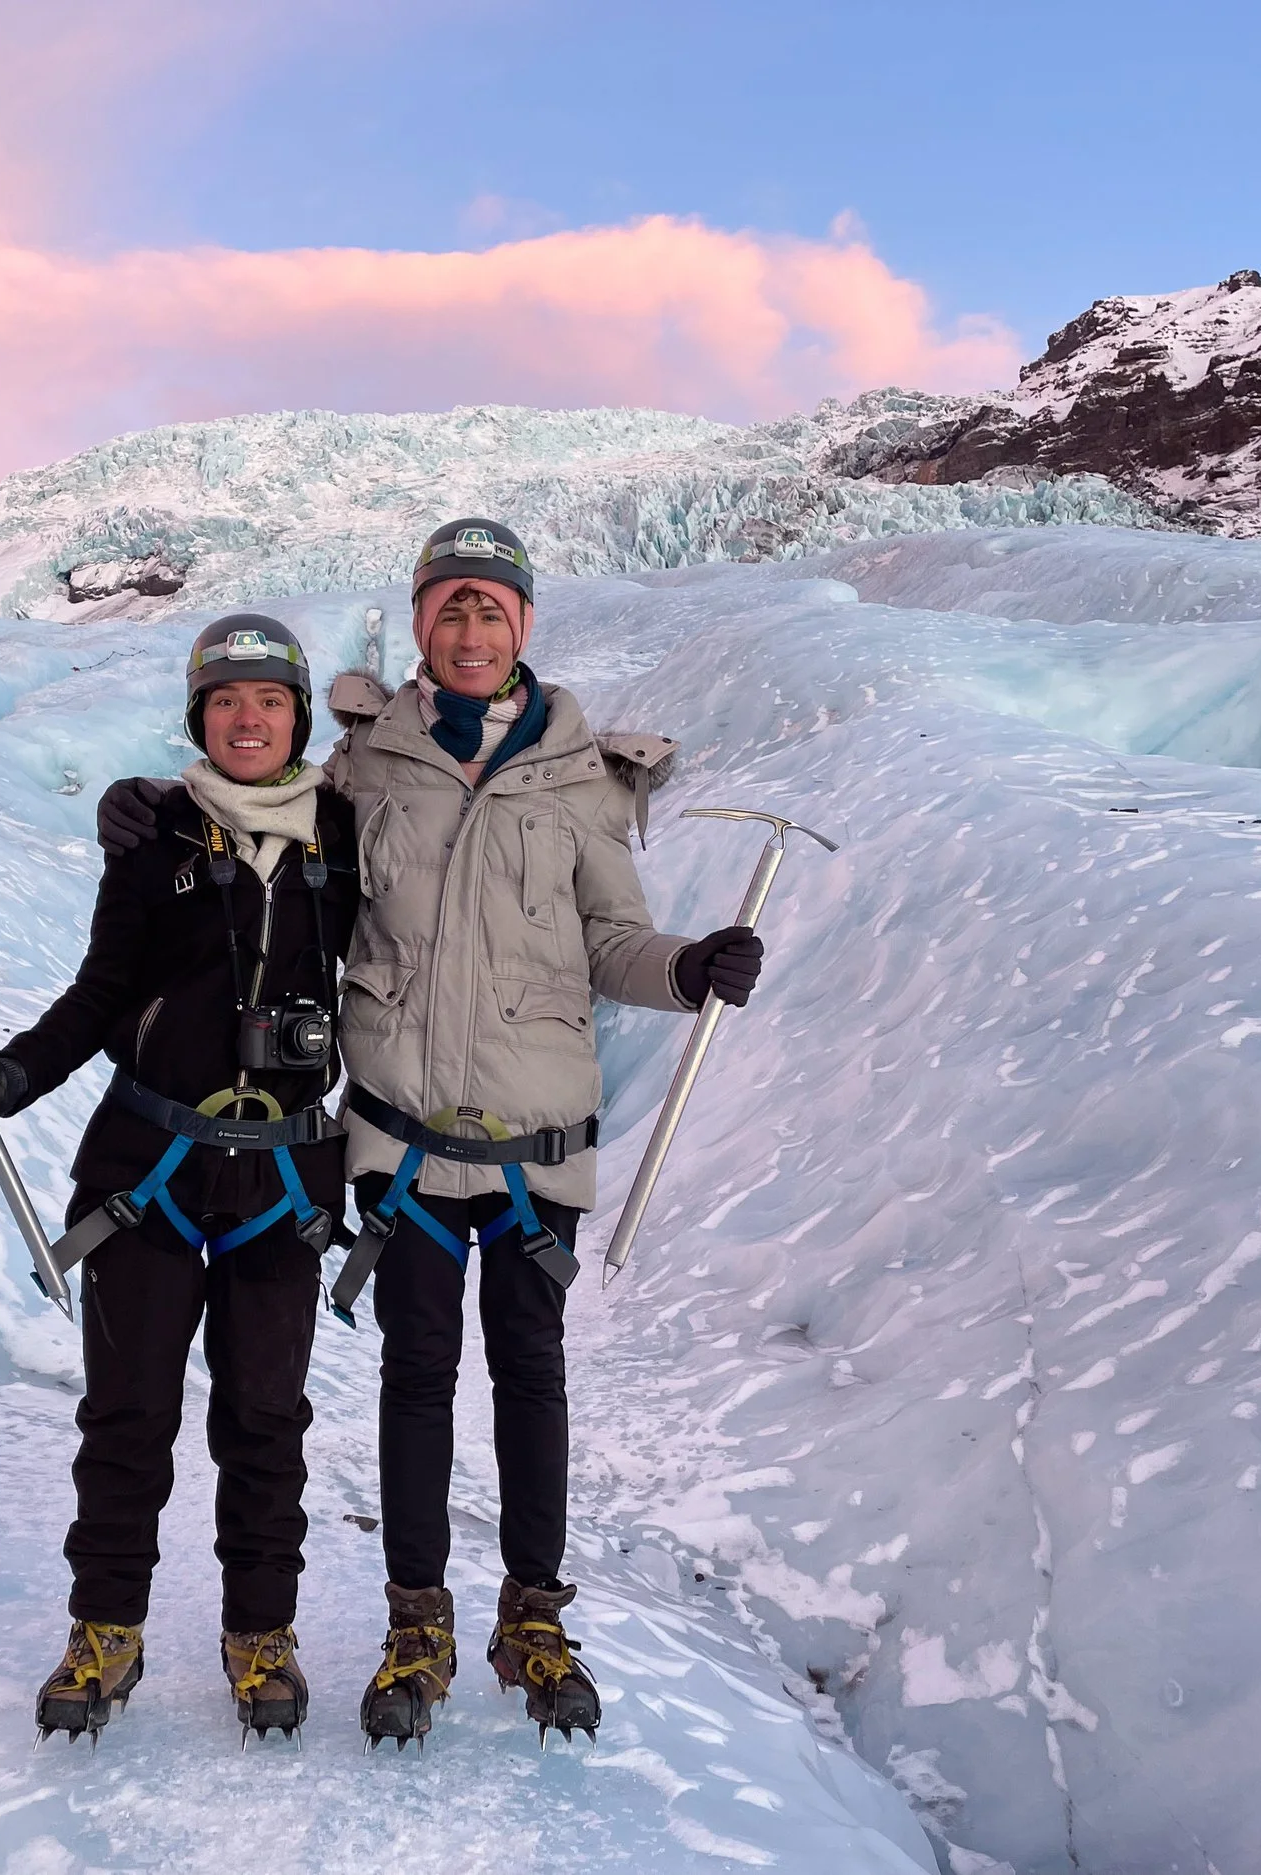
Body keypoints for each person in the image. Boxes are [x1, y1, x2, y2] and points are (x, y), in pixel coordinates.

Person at [100, 521, 764, 1746]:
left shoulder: (582, 776)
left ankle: (532, 1619)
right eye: (449, 607)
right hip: (399, 1136)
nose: (469, 630)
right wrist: (151, 809)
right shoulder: (366, 767)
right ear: (418, 622)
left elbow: (613, 940)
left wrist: (685, 968)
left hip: (537, 1136)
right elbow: (267, 833)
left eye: (490, 609)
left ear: (523, 624)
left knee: (530, 1374)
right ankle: (418, 1622)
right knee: (417, 1376)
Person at [0, 613, 358, 1744]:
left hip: (284, 1180)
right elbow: (103, 990)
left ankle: (260, 1631)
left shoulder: (348, 839)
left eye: (269, 700)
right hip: (147, 1170)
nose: (248, 718)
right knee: (128, 1416)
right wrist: (16, 1072)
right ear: (198, 718)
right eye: (225, 700)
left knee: (265, 1420)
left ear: (299, 717)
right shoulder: (154, 834)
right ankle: (105, 1628)